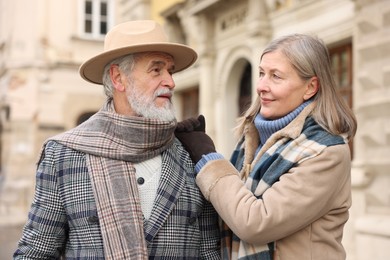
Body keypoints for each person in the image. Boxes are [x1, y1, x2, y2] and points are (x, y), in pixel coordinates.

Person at [14, 20, 220, 259]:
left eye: (170, 70)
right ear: (118, 78)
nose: (171, 82)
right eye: (156, 69)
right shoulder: (62, 154)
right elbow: (37, 252)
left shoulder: (192, 152)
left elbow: (210, 251)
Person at [175, 33, 357, 260]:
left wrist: (209, 159)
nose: (261, 86)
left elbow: (255, 222)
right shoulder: (250, 141)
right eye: (261, 73)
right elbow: (228, 210)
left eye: (276, 76)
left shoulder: (325, 153)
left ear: (310, 87)